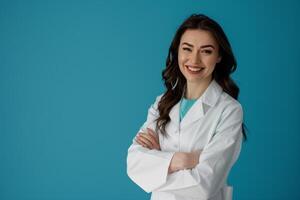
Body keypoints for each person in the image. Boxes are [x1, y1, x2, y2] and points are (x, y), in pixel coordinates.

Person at [126, 14, 246, 200]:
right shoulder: (162, 103)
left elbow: (204, 184)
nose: (194, 60)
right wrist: (182, 160)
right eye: (187, 49)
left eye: (206, 51)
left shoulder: (229, 110)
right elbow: (134, 164)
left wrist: (159, 165)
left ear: (219, 56)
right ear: (177, 52)